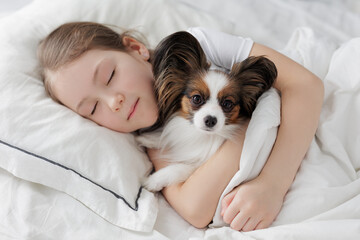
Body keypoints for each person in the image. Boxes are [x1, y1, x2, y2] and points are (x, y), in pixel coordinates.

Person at [37, 22, 324, 231]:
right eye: (93, 108)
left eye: (110, 75)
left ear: (136, 48)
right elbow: (196, 209)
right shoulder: (146, 134)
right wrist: (240, 128)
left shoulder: (195, 46)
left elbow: (306, 85)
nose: (114, 102)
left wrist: (272, 184)